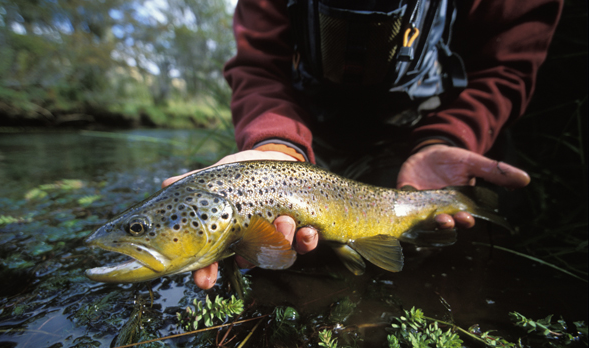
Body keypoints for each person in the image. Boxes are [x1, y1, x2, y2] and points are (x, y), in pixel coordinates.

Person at [163, 0, 563, 289]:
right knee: (289, 260)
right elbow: (259, 64)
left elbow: (506, 65)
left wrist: (453, 134)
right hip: (309, 133)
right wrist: (276, 143)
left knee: (462, 243)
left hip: (429, 129)